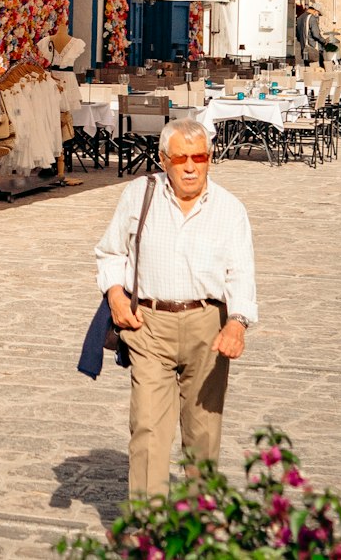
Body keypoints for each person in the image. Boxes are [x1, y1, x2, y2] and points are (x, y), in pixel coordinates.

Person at [95, 118, 257, 497]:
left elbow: (241, 272)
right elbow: (110, 252)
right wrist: (116, 296)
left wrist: (237, 323)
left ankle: (197, 530)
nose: (190, 167)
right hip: (148, 325)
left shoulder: (230, 209)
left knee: (203, 433)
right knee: (148, 428)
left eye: (198, 157)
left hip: (208, 326)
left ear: (210, 159)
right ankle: (147, 532)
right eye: (180, 158)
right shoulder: (139, 194)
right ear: (163, 158)